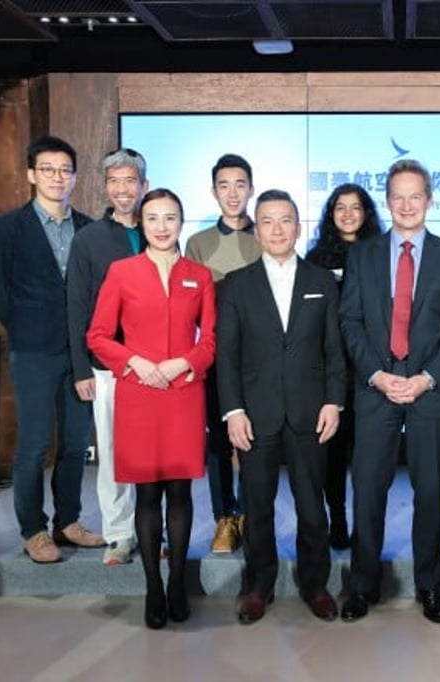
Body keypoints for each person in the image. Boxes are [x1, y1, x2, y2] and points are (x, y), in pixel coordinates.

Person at [338, 159, 440, 624]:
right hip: (376, 388)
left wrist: (426, 377)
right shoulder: (363, 255)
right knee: (368, 491)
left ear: (430, 200)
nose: (407, 205)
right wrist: (377, 374)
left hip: (429, 389)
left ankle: (431, 587)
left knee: (430, 493)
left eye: (416, 196)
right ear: (387, 200)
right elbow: (349, 322)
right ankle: (362, 586)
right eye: (398, 196)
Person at [87, 188, 216, 629]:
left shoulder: (198, 275)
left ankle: (178, 580)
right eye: (154, 218)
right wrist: (134, 362)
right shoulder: (121, 272)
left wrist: (185, 362)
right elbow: (99, 336)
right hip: (139, 390)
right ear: (141, 223)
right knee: (147, 493)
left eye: (171, 218)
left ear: (182, 222)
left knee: (180, 492)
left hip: (182, 390)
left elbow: (211, 340)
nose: (162, 226)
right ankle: (152, 587)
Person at [218, 189, 346, 623]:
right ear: (257, 230)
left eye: (285, 220)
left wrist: (334, 402)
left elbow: (334, 350)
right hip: (255, 414)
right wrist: (233, 411)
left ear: (298, 226)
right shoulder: (236, 285)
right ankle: (259, 586)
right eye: (268, 221)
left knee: (313, 506)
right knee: (257, 507)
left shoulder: (322, 281)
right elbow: (227, 357)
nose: (277, 229)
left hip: (311, 412)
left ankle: (315, 584)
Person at [0, 135, 104, 564]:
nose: (57, 177)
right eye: (47, 169)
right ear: (32, 174)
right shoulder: (5, 229)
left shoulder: (89, 229)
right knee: (33, 445)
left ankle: (67, 522)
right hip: (33, 351)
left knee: (75, 443)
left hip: (79, 353)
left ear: (74, 177)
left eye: (65, 170)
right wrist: (24, 325)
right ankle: (33, 530)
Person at [66, 148, 148, 566]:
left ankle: (154, 530)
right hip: (108, 367)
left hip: (156, 369)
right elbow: (76, 306)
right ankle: (120, 534)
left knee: (154, 454)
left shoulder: (158, 230)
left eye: (130, 181)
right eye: (114, 181)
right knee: (114, 454)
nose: (122, 189)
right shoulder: (89, 239)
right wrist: (82, 368)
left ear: (143, 186)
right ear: (105, 187)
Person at [184, 153, 262, 555]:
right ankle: (224, 519)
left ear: (251, 188)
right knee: (218, 442)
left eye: (240, 184)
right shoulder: (197, 244)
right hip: (217, 358)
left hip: (262, 360)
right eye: (224, 185)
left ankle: (251, 513)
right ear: (214, 190)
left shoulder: (267, 234)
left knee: (256, 439)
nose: (233, 193)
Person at [306, 183, 384, 549]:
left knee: (367, 457)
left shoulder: (381, 255)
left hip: (372, 370)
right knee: (332, 456)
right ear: (330, 213)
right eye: (340, 207)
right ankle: (337, 518)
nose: (348, 214)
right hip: (328, 373)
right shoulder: (315, 259)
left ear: (367, 213)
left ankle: (365, 525)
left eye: (356, 207)